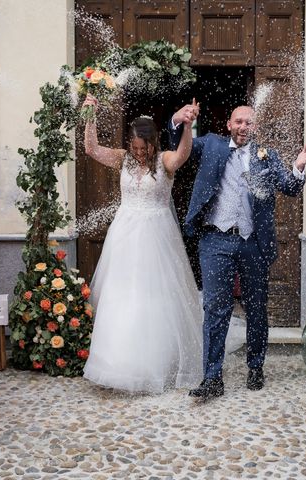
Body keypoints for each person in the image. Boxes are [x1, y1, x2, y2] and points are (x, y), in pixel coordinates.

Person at [169, 104, 306, 400]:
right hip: (215, 240)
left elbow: (289, 188)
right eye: (238, 121)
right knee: (215, 308)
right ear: (228, 123)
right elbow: (178, 149)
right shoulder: (210, 144)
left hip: (253, 243)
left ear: (255, 126)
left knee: (257, 307)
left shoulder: (267, 156)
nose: (243, 126)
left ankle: (255, 366)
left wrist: (299, 166)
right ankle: (212, 377)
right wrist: (178, 121)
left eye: (248, 122)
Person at [81, 95, 204, 393]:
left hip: (156, 237)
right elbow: (91, 149)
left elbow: (182, 156)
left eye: (143, 148)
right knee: (121, 296)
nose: (138, 153)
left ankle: (156, 364)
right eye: (135, 147)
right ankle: (117, 365)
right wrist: (90, 114)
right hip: (124, 235)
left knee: (154, 297)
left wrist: (188, 126)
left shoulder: (164, 161)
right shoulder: (123, 158)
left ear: (154, 142)